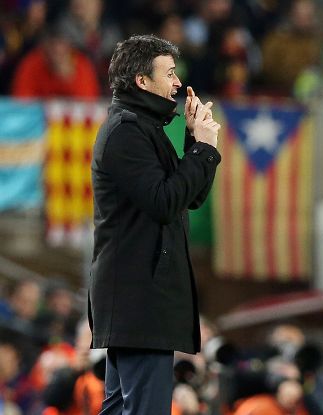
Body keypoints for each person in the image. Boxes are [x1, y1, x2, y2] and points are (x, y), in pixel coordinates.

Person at [89, 34, 221, 414]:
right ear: (142, 80)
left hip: (138, 300)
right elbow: (164, 203)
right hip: (139, 300)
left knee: (120, 408)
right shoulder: (126, 131)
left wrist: (196, 143)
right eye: (170, 73)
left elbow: (188, 197)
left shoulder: (143, 128)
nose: (178, 83)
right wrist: (204, 150)